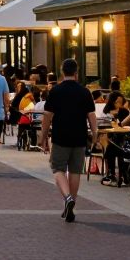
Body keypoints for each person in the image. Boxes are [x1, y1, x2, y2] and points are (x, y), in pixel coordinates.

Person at [40, 59, 98, 224]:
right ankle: (71, 204)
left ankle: (67, 198)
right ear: (76, 72)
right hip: (79, 137)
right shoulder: (85, 92)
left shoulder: (56, 91)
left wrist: (42, 136)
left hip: (60, 136)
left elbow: (47, 116)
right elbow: (92, 116)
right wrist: (94, 134)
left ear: (62, 71)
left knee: (57, 168)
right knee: (75, 172)